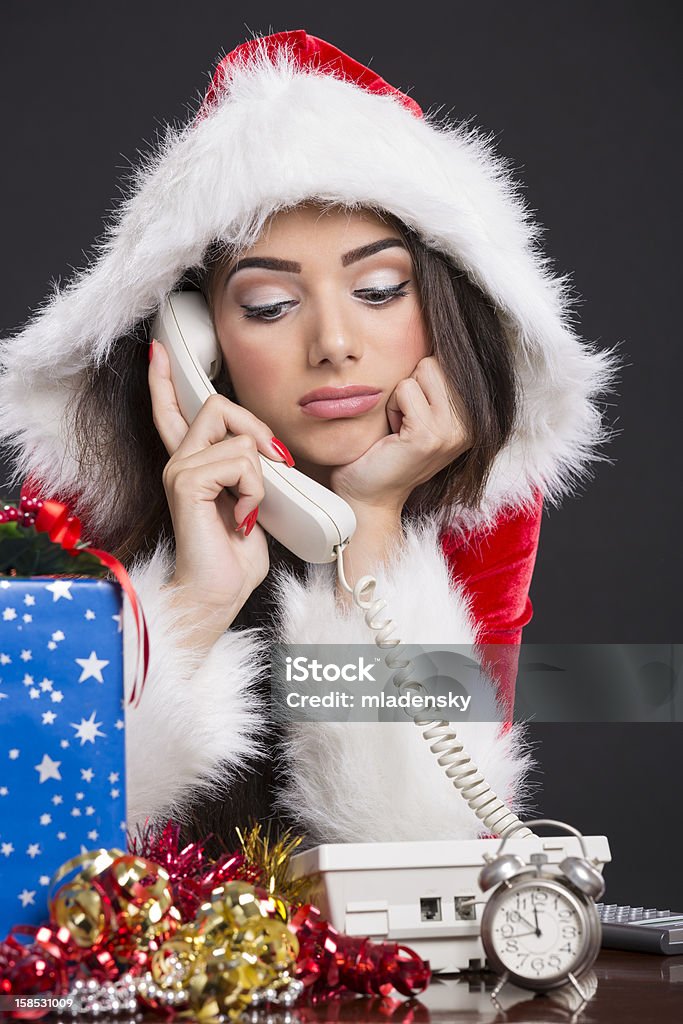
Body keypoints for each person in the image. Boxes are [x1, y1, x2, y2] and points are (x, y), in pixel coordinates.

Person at [0, 31, 617, 847]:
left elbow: (424, 854)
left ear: (441, 308)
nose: (334, 342)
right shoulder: (63, 530)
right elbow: (32, 858)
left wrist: (372, 538)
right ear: (197, 338)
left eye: (378, 289)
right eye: (268, 305)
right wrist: (191, 602)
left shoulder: (479, 513)